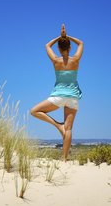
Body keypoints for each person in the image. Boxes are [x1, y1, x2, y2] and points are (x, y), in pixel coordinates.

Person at [30, 24, 83, 161]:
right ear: (70, 47)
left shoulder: (55, 61)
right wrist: (67, 36)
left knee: (34, 111)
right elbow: (81, 43)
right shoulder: (76, 60)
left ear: (59, 49)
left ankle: (57, 125)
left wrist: (60, 37)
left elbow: (47, 45)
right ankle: (64, 159)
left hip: (58, 96)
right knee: (69, 129)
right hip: (73, 97)